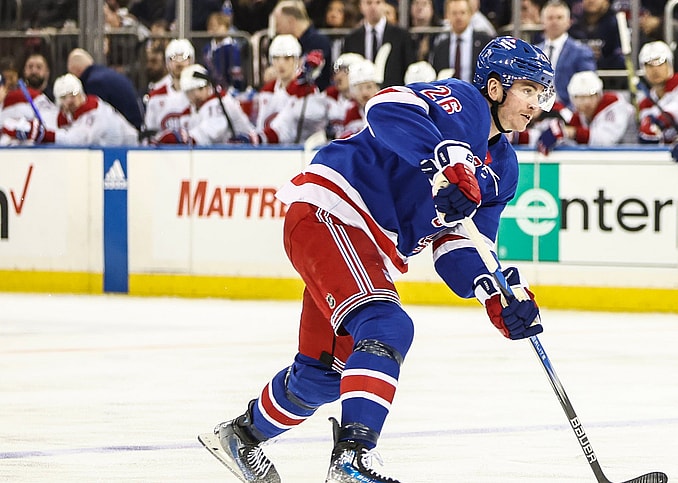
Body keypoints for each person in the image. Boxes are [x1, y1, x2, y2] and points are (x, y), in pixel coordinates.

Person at [197, 36, 551, 483]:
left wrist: (496, 294)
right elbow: (386, 108)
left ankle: (241, 437)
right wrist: (443, 162)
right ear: (496, 87)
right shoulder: (463, 101)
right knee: (387, 325)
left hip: (365, 245)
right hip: (332, 209)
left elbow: (462, 244)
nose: (535, 104)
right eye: (528, 90)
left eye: (541, 94)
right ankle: (353, 459)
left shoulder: (504, 167)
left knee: (323, 377)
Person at [2, 73, 138, 146]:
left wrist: (45, 135)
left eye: (73, 95)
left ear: (81, 93)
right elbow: (50, 122)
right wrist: (26, 127)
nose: (69, 101)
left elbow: (76, 140)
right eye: (63, 97)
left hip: (133, 154)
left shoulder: (94, 112)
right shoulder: (70, 114)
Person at [154, 64, 258, 145]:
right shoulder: (197, 106)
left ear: (207, 87)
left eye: (199, 89)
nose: (194, 95)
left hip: (245, 152)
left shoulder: (219, 102)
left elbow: (211, 132)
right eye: (189, 92)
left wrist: (184, 137)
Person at [536, 70, 634, 152]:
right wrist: (557, 134)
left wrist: (570, 132)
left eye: (591, 96)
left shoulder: (614, 105)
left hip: (633, 158)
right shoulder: (579, 115)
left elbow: (606, 141)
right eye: (581, 97)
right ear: (572, 99)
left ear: (599, 95)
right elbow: (570, 138)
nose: (586, 103)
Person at [256, 35, 328, 144]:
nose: (281, 63)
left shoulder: (307, 89)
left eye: (287, 58)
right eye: (276, 58)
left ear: (297, 60)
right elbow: (260, 125)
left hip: (299, 152)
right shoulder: (267, 90)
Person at [637, 40, 678, 143]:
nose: (655, 70)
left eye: (660, 63)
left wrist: (662, 119)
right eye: (649, 65)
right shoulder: (645, 103)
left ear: (670, 65)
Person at [535, 0, 596, 106]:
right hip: (537, 108)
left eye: (559, 17)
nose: (554, 22)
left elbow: (588, 86)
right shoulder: (534, 52)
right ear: (542, 21)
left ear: (569, 21)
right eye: (550, 18)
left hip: (568, 109)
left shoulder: (581, 51)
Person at [67, 48, 145, 131]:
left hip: (127, 131)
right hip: (135, 124)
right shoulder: (105, 74)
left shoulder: (94, 83)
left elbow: (94, 116)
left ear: (75, 70)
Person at [341, 0, 414, 87]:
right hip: (361, 95)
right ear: (361, 6)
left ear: (384, 5)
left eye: (378, 2)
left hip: (392, 93)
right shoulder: (352, 38)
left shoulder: (401, 36)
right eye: (369, 3)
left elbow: (409, 67)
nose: (373, 7)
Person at [270, 0, 334, 90]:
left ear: (290, 21)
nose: (277, 29)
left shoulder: (319, 42)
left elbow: (311, 74)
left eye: (278, 24)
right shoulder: (290, 42)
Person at [428, 0, 494, 82]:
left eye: (462, 12)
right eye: (454, 13)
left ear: (470, 14)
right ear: (447, 16)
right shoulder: (441, 45)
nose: (458, 17)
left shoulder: (484, 41)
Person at [144, 38, 195, 133]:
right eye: (173, 58)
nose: (179, 63)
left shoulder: (201, 94)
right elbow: (150, 133)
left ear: (191, 61)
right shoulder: (156, 96)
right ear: (167, 64)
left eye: (184, 57)